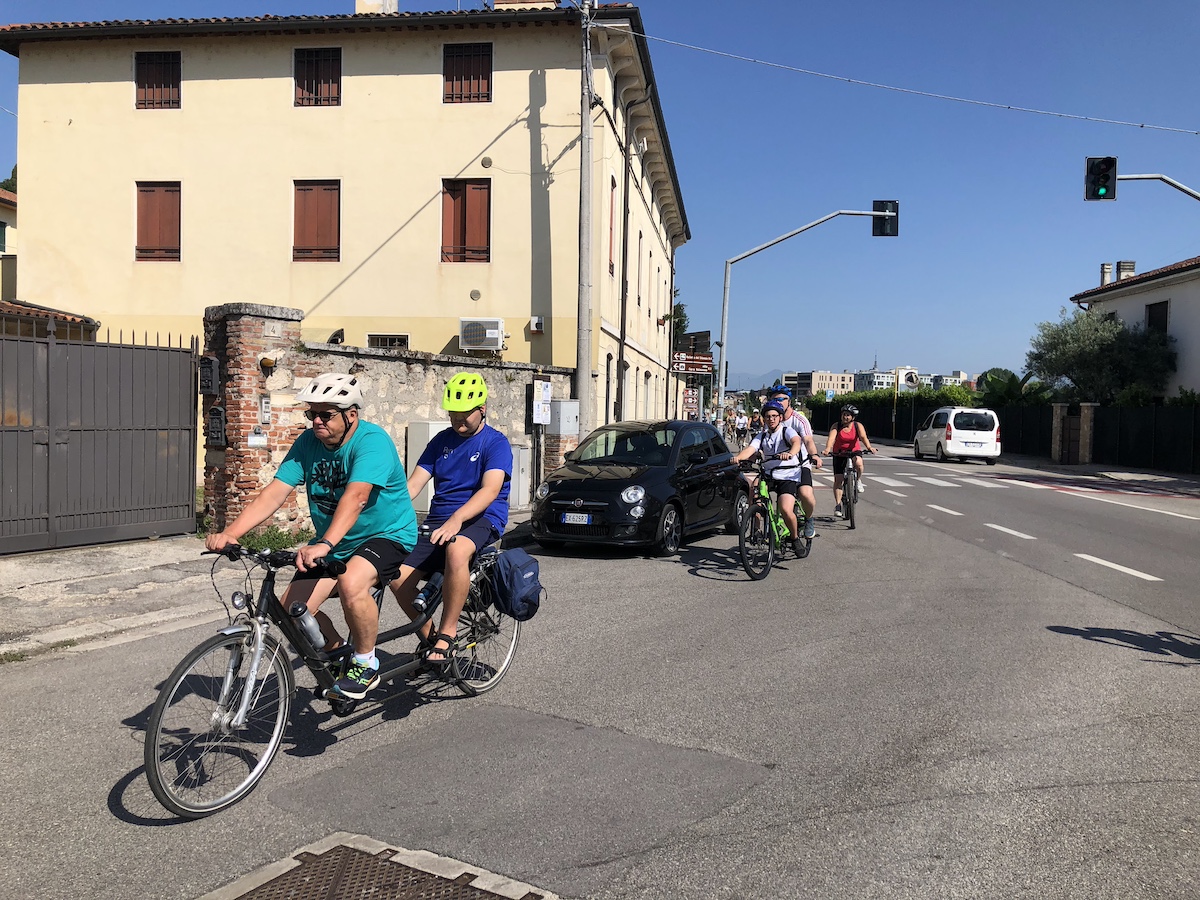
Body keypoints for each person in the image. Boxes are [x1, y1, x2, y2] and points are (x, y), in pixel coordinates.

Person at [206, 372, 417, 701]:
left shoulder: (372, 442)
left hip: (386, 534)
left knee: (352, 582)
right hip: (338, 541)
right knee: (294, 608)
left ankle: (365, 662)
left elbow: (357, 496)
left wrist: (325, 543)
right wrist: (231, 533)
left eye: (325, 414)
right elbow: (275, 492)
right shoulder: (307, 443)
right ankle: (340, 656)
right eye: (311, 413)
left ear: (351, 415)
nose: (316, 421)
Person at [390, 372, 513, 667]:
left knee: (457, 549)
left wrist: (457, 519)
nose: (458, 421)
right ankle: (431, 639)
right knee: (395, 575)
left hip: (482, 518)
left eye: (464, 415)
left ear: (481, 409)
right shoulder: (440, 441)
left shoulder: (495, 443)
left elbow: (491, 490)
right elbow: (414, 484)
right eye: (452, 414)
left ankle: (448, 631)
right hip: (439, 520)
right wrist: (385, 509)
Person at [732, 401, 810, 555]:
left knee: (786, 509)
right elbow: (751, 449)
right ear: (764, 419)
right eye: (768, 416)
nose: (771, 419)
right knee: (755, 492)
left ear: (780, 417)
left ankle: (795, 539)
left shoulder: (786, 431)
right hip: (769, 474)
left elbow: (796, 442)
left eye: (774, 416)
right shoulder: (762, 436)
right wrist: (738, 458)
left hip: (788, 475)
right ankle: (756, 528)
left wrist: (791, 453)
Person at [766, 383, 823, 538]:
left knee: (805, 493)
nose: (778, 403)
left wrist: (814, 455)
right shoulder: (770, 419)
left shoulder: (798, 419)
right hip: (777, 466)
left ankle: (809, 519)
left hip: (799, 464)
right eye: (774, 400)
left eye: (782, 399)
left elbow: (808, 440)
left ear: (789, 401)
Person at [824, 404, 876, 517]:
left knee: (859, 463)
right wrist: (828, 449)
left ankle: (858, 480)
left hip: (854, 451)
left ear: (853, 417)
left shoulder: (857, 426)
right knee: (838, 480)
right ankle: (838, 505)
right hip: (839, 453)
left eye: (848, 415)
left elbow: (863, 437)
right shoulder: (836, 426)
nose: (845, 417)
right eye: (843, 414)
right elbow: (831, 438)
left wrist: (869, 447)